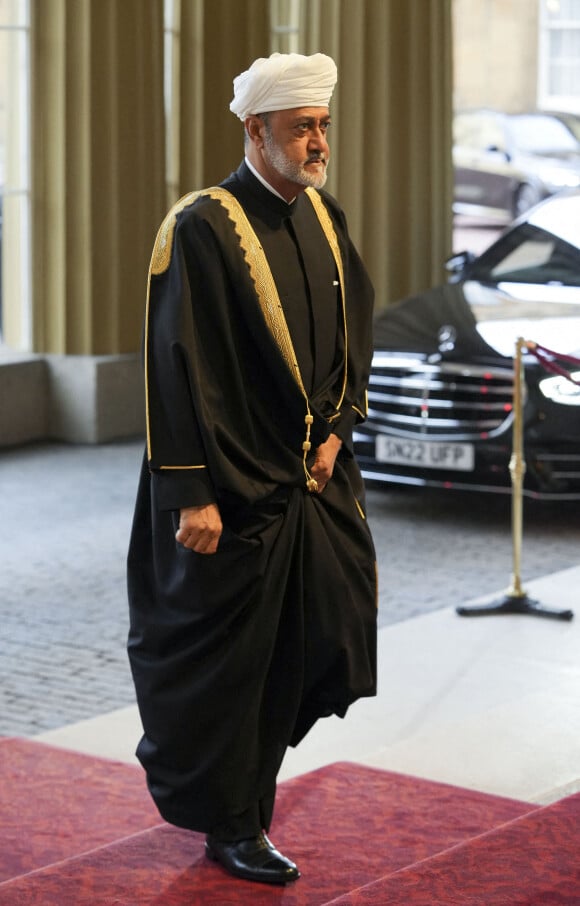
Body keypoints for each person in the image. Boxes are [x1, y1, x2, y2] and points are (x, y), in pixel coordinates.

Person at [127, 51, 377, 887]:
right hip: (226, 493)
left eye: (322, 127)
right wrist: (188, 494)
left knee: (300, 649)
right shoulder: (204, 224)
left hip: (309, 481)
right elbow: (172, 365)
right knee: (228, 670)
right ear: (255, 131)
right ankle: (232, 825)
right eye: (302, 127)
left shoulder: (323, 216)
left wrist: (339, 429)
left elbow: (354, 335)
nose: (316, 142)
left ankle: (252, 806)